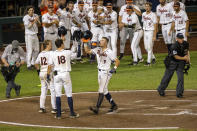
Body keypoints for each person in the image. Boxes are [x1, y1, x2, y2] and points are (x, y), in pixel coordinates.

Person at [84, 37, 120, 114]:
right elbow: (87, 51)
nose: (100, 41)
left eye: (102, 40)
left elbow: (117, 61)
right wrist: (85, 42)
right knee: (104, 90)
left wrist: (114, 69)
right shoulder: (97, 49)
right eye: (100, 40)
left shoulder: (110, 52)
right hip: (99, 72)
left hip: (106, 73)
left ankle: (97, 108)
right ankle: (113, 105)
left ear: (106, 43)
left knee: (101, 90)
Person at [47, 39, 79, 119]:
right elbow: (77, 55)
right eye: (63, 43)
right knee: (69, 94)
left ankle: (58, 114)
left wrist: (48, 75)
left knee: (58, 95)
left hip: (56, 75)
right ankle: (72, 113)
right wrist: (76, 45)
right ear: (61, 44)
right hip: (65, 74)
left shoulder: (52, 54)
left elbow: (50, 66)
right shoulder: (67, 52)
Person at [157, 33, 190, 98]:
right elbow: (176, 57)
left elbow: (186, 52)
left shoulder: (186, 43)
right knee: (167, 77)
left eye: (182, 38)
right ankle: (160, 89)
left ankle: (179, 93)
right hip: (172, 62)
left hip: (180, 63)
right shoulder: (174, 46)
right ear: (177, 39)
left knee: (181, 78)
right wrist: (184, 58)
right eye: (180, 38)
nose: (182, 39)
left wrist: (188, 60)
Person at [34, 40, 56, 113]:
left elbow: (36, 64)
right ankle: (54, 108)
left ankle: (41, 107)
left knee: (43, 90)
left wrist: (38, 71)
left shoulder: (40, 54)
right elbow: (50, 65)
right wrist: (48, 74)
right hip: (48, 72)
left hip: (42, 73)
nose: (51, 45)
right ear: (47, 45)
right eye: (50, 44)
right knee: (52, 90)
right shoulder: (50, 53)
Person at [142, 2, 157, 66]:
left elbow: (155, 26)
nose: (147, 7)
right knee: (146, 48)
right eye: (146, 6)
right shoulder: (143, 14)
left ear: (150, 7)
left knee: (150, 47)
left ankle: (148, 62)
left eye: (148, 6)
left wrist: (154, 35)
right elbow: (143, 23)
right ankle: (153, 58)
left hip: (151, 31)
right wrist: (143, 33)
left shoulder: (153, 15)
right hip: (145, 32)